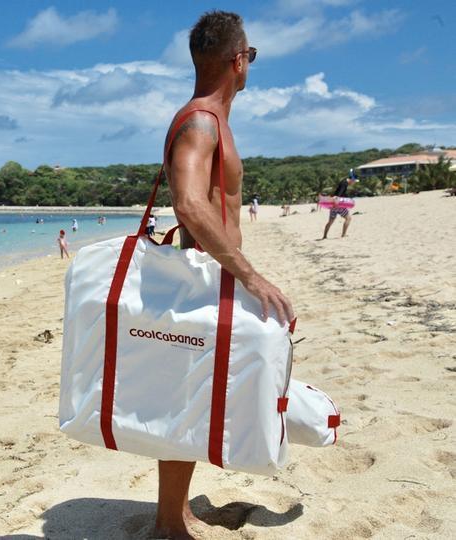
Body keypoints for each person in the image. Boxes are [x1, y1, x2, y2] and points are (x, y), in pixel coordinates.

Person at [156, 11, 294, 539]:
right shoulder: (200, 121)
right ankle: (170, 522)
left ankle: (177, 511)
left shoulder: (212, 120)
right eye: (251, 56)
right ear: (238, 61)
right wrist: (252, 277)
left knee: (194, 395)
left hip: (211, 276)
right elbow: (190, 203)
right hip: (201, 278)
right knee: (187, 397)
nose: (249, 65)